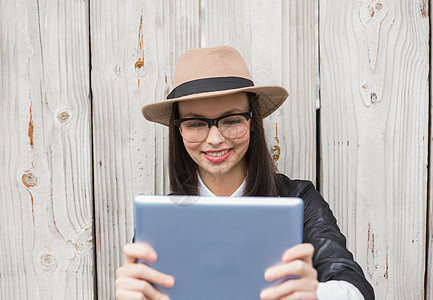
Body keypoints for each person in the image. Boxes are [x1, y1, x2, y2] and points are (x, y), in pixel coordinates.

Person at [115, 46, 374, 300]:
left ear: (252, 122)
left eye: (231, 120)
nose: (215, 139)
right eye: (195, 123)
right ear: (178, 131)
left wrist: (314, 294)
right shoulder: (160, 218)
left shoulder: (299, 199)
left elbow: (356, 289)